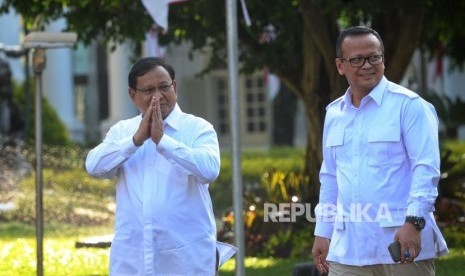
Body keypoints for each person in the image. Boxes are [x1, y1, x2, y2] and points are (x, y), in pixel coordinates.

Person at [311, 26, 448, 276]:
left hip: (401, 244)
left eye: (374, 57)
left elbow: (426, 170)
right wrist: (323, 231)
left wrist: (414, 222)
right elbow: (330, 177)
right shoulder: (334, 113)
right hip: (348, 249)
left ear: (383, 59)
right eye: (357, 59)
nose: (367, 65)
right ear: (340, 66)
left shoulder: (410, 106)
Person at [86, 57, 235, 275]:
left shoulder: (197, 128)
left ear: (174, 87)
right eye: (148, 90)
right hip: (132, 258)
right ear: (132, 95)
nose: (158, 96)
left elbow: (209, 170)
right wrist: (135, 140)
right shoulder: (123, 131)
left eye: (164, 87)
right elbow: (94, 166)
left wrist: (163, 142)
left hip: (187, 259)